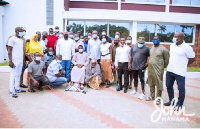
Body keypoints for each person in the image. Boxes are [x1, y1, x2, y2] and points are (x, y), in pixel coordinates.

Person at [164, 32, 195, 111]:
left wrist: (184, 65)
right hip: (170, 70)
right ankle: (171, 101)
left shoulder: (187, 47)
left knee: (181, 88)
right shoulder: (172, 45)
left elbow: (192, 58)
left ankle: (179, 104)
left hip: (180, 72)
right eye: (174, 36)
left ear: (180, 38)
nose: (174, 38)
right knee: (168, 86)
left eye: (176, 37)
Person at [146, 36, 169, 105]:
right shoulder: (151, 48)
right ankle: (152, 96)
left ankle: (158, 98)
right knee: (151, 82)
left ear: (159, 40)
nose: (154, 40)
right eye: (153, 39)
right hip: (150, 68)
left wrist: (162, 66)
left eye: (156, 39)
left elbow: (166, 60)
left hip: (158, 69)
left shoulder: (164, 49)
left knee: (159, 83)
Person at [7, 27, 26, 98]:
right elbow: (9, 51)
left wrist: (23, 60)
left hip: (20, 60)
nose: (22, 32)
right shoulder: (12, 39)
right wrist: (10, 61)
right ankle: (11, 91)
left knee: (18, 74)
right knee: (13, 75)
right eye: (21, 31)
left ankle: (17, 88)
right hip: (14, 60)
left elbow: (21, 51)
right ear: (17, 31)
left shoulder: (21, 40)